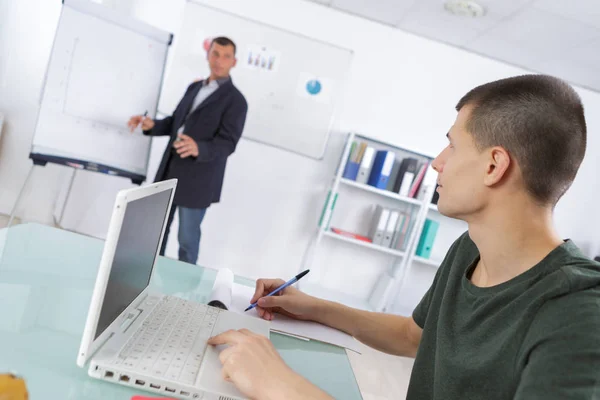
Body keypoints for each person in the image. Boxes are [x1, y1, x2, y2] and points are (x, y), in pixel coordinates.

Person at [208, 74, 600, 400]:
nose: (437, 163)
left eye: (453, 144)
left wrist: (279, 386)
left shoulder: (577, 315)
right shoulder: (470, 249)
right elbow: (415, 335)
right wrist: (312, 307)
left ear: (494, 165)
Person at [128, 37, 247, 264]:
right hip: (170, 171)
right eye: (215, 54)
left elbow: (228, 143)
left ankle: (187, 292)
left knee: (187, 239)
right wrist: (152, 125)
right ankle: (150, 278)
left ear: (234, 62)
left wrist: (198, 148)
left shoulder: (236, 101)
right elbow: (176, 122)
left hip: (198, 180)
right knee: (156, 234)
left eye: (226, 56)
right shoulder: (194, 87)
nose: (219, 60)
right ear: (208, 55)